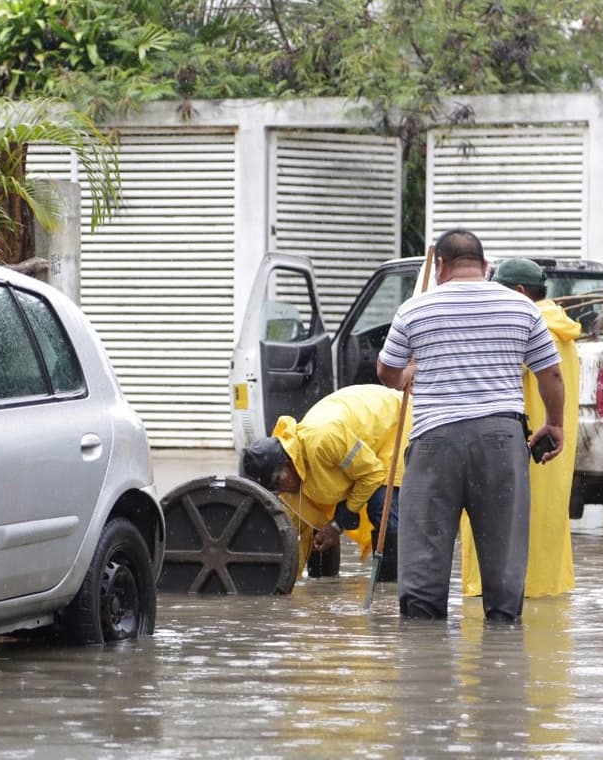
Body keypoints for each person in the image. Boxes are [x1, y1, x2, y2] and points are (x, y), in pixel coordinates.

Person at [377, 229, 566, 622]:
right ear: (485, 266)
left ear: (440, 266)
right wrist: (554, 423)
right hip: (501, 442)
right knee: (504, 568)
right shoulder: (522, 308)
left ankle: (425, 664)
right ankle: (502, 662)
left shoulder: (415, 309)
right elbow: (551, 375)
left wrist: (408, 373)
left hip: (433, 444)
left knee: (423, 577)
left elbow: (386, 370)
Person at [460, 258, 580, 599]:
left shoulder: (526, 328)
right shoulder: (564, 334)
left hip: (514, 452)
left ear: (519, 292)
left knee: (498, 533)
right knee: (543, 535)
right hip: (551, 457)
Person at [239, 384, 410, 581]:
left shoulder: (323, 440)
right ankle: (325, 583)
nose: (282, 490)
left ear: (287, 463)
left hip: (394, 424)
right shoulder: (291, 475)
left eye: (279, 483)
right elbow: (294, 535)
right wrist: (283, 585)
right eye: (275, 489)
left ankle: (388, 589)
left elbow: (372, 474)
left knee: (382, 507)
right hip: (358, 441)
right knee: (319, 523)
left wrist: (338, 525)